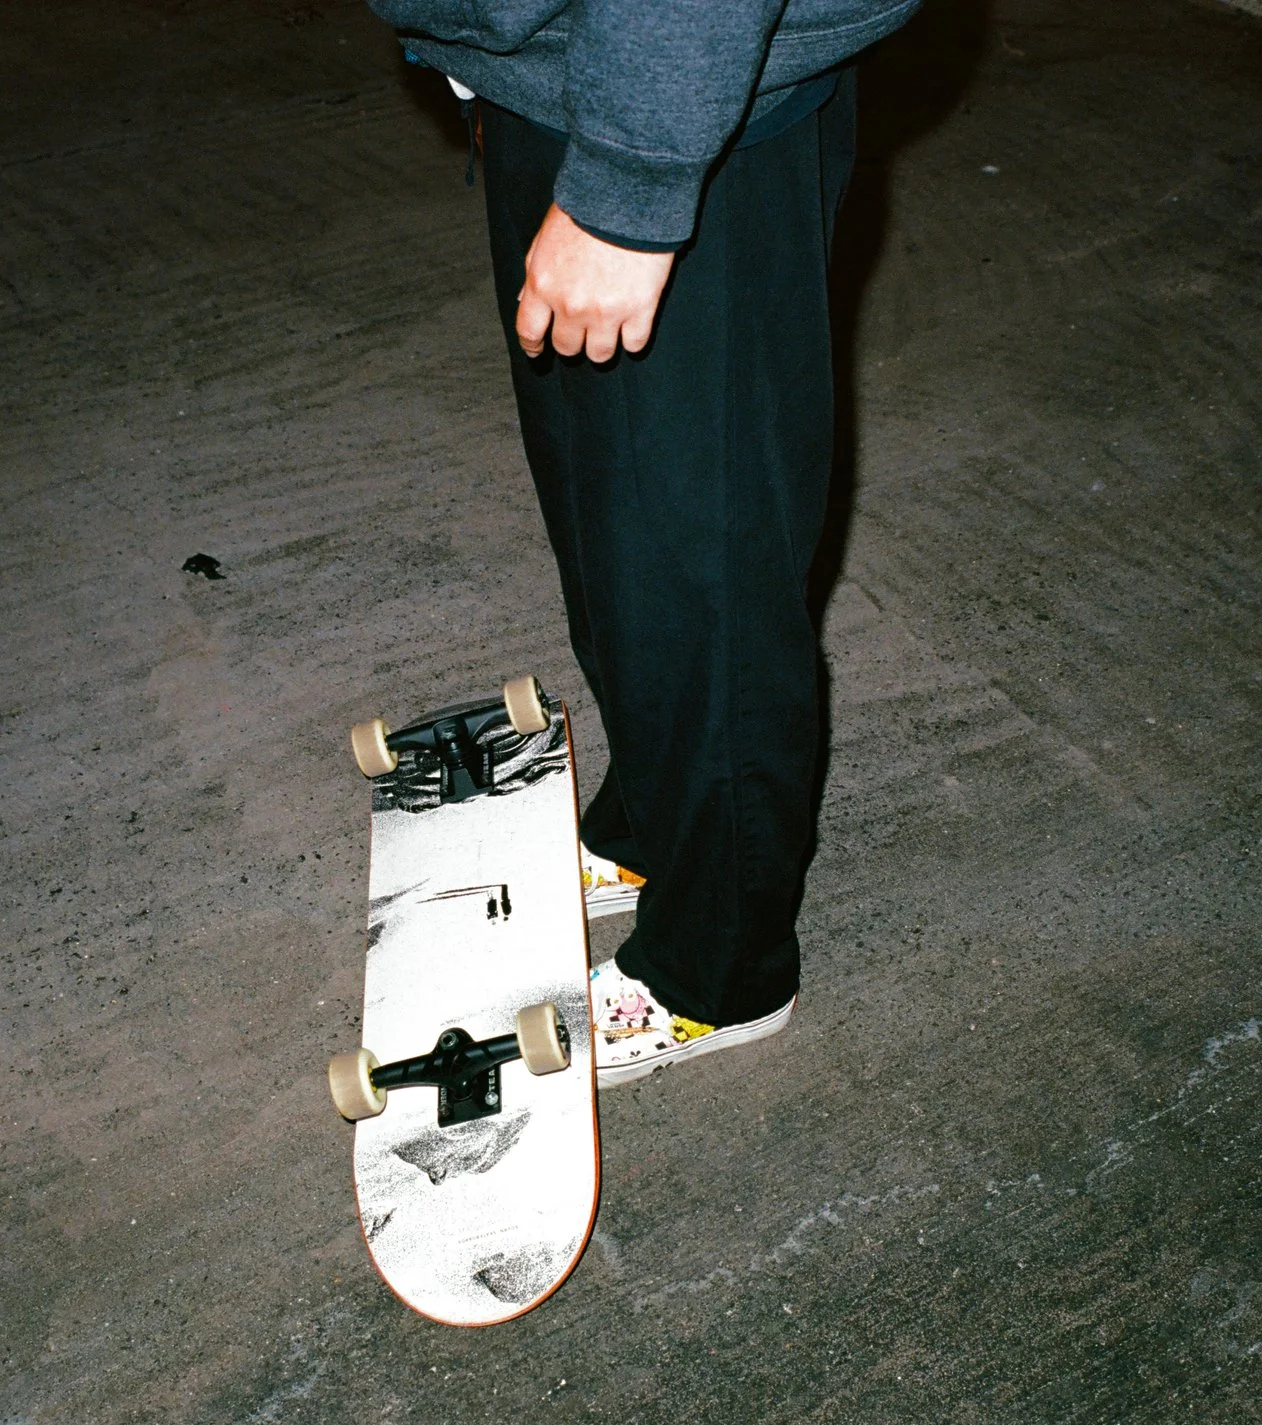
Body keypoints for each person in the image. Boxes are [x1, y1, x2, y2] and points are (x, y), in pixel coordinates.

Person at [370, 0, 920, 1086]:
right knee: (611, 520)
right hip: (590, 76)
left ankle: (722, 965)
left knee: (697, 563)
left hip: (683, 96)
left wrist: (629, 188)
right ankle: (654, 818)